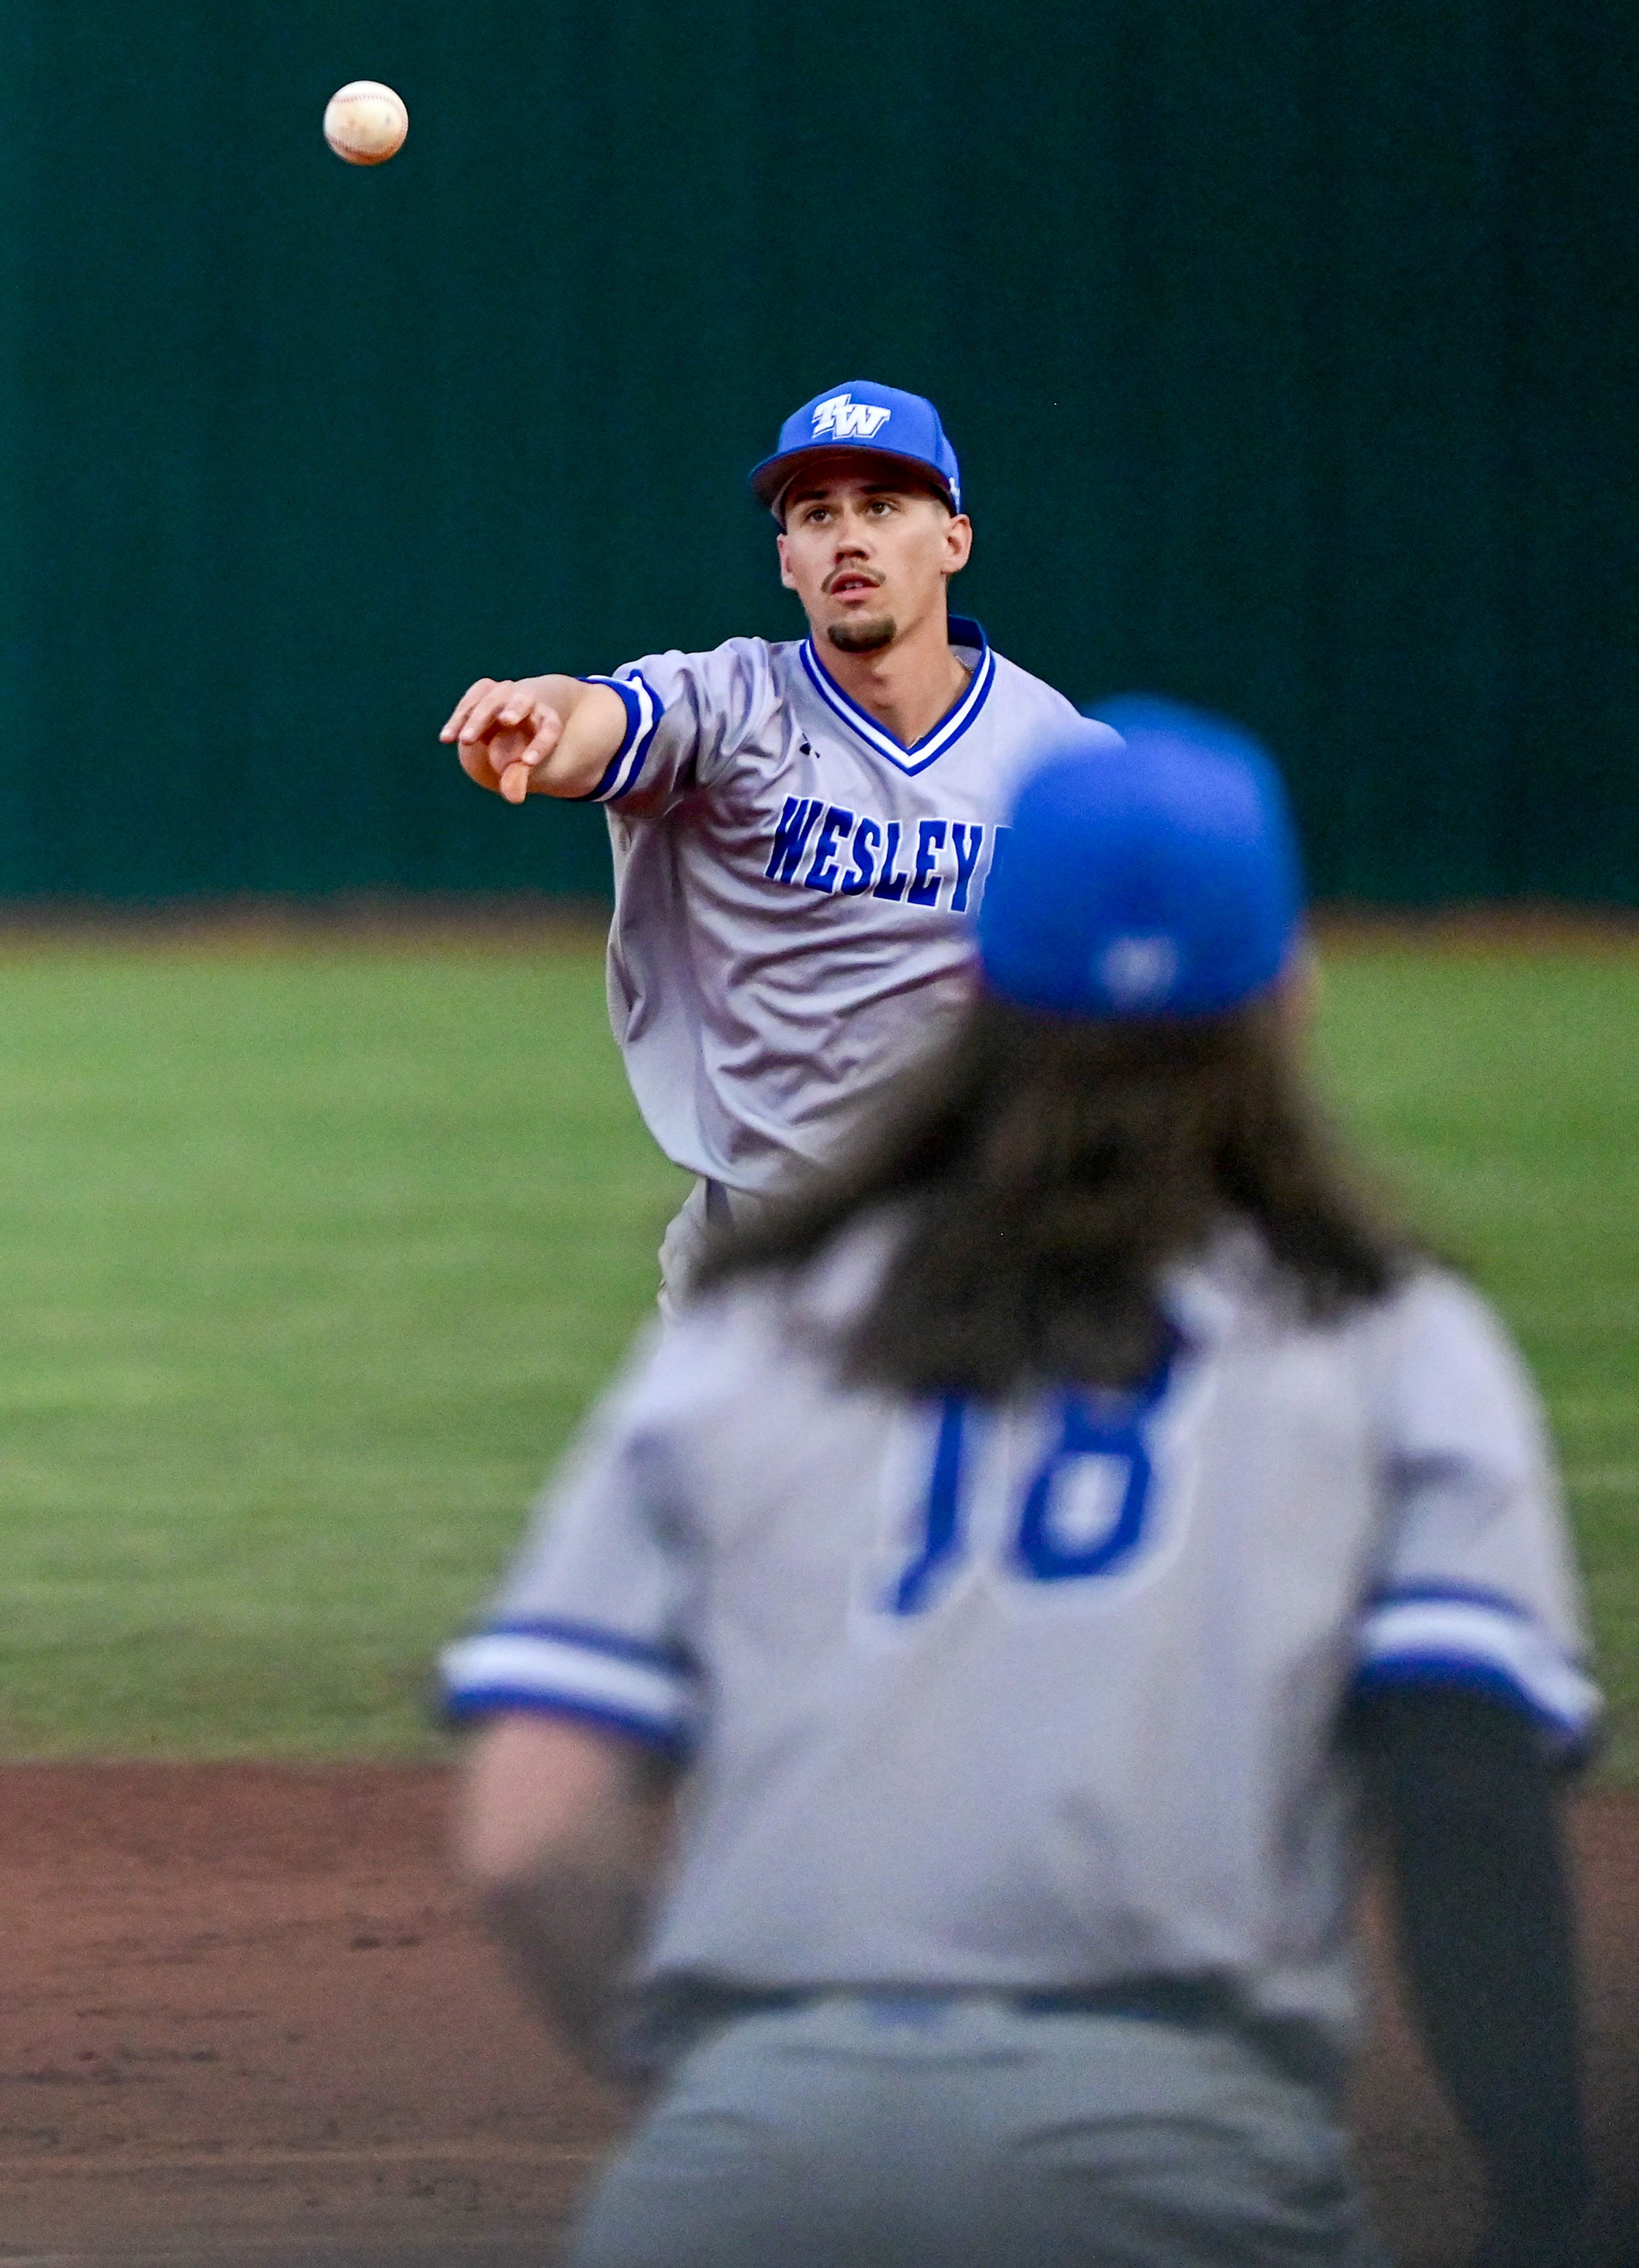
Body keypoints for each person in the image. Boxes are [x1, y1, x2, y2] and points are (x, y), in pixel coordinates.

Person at [442, 705, 1598, 2268]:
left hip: (746, 2167)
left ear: (976, 990)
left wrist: (728, 2082)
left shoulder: (759, 1325)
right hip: (1178, 2156)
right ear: (1290, 993)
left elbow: (529, 1835)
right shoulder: (1388, 1342)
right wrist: (1543, 2190)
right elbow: (1464, 1799)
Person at [439, 379, 1120, 1304]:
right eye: (816, 513)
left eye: (882, 506)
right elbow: (599, 714)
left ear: (954, 538)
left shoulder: (1064, 763)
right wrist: (539, 720)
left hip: (982, 1260)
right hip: (762, 1265)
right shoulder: (732, 708)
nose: (849, 536)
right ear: (787, 561)